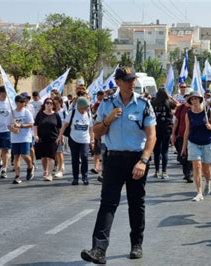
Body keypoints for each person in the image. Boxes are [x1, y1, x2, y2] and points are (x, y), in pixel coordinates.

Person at [81, 67, 156, 263]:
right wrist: (108, 120)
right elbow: (96, 133)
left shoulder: (144, 104)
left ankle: (136, 244)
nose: (132, 83)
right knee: (108, 203)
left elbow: (151, 136)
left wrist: (144, 160)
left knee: (136, 203)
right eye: (127, 80)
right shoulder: (106, 104)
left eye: (133, 79)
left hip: (136, 160)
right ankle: (98, 249)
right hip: (113, 159)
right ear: (117, 82)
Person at [182, 90, 211, 201]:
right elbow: (187, 130)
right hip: (193, 142)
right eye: (192, 99)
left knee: (206, 168)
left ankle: (208, 181)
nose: (194, 100)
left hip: (208, 142)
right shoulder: (188, 114)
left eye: (196, 98)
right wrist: (184, 147)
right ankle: (199, 192)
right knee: (197, 166)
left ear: (200, 99)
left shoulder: (207, 111)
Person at [58, 97, 94, 185]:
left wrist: (92, 139)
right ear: (80, 107)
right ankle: (75, 178)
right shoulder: (72, 113)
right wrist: (60, 136)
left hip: (85, 140)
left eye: (87, 107)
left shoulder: (88, 114)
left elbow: (91, 128)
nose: (86, 109)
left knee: (84, 156)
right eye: (85, 107)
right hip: (73, 139)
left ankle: (84, 176)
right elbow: (65, 125)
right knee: (75, 159)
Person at [34, 97, 62, 181]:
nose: (49, 104)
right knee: (43, 157)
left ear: (53, 105)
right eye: (47, 103)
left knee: (51, 157)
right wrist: (35, 135)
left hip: (53, 139)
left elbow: (60, 127)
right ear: (44, 104)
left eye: (51, 103)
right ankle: (45, 171)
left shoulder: (56, 114)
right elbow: (35, 125)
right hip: (42, 138)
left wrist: (60, 137)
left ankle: (49, 174)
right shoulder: (40, 114)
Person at [151, 89, 177, 179]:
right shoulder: (169, 102)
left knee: (156, 151)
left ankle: (156, 171)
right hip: (166, 129)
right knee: (165, 151)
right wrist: (170, 97)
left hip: (155, 128)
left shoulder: (153, 102)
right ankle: (164, 171)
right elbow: (176, 105)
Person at [9, 95, 35, 184]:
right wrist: (13, 129)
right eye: (21, 102)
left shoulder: (26, 112)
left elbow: (31, 124)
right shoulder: (12, 113)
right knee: (16, 157)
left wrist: (21, 126)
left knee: (25, 155)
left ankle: (30, 166)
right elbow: (8, 125)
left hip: (25, 137)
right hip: (15, 138)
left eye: (24, 102)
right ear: (16, 103)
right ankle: (17, 176)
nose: (23, 103)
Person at [172, 90, 193, 183]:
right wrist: (173, 134)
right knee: (184, 155)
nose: (188, 98)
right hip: (181, 134)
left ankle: (189, 173)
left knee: (191, 155)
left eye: (190, 96)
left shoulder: (195, 108)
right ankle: (187, 173)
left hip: (193, 135)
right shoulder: (180, 108)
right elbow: (176, 121)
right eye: (186, 96)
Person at [90, 91, 105, 178]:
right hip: (97, 136)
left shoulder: (105, 111)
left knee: (103, 154)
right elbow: (92, 126)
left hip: (105, 136)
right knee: (96, 152)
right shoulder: (94, 116)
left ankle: (103, 170)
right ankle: (96, 167)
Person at [53, 96, 67, 178]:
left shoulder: (63, 112)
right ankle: (58, 164)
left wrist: (62, 134)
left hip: (62, 133)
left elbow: (66, 123)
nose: (55, 105)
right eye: (54, 103)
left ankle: (60, 168)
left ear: (60, 103)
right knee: (55, 152)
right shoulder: (53, 112)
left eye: (57, 103)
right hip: (53, 133)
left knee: (59, 151)